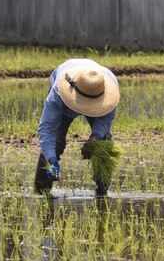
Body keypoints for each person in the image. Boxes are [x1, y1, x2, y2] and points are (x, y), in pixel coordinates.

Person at [35, 59, 120, 195]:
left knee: (102, 142)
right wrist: (51, 159)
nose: (86, 107)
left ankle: (102, 190)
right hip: (66, 99)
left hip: (95, 93)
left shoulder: (108, 87)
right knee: (56, 142)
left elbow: (106, 117)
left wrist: (95, 137)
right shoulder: (58, 93)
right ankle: (41, 188)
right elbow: (47, 128)